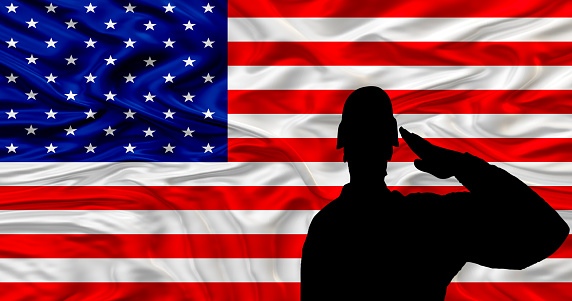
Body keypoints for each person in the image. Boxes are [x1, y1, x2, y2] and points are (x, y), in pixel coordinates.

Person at [300, 86, 569, 300]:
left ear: (344, 145)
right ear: (391, 145)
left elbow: (548, 231)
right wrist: (461, 166)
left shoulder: (326, 229)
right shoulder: (428, 220)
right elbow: (546, 230)